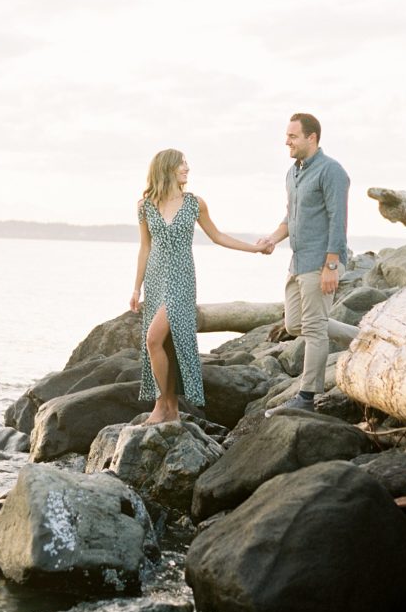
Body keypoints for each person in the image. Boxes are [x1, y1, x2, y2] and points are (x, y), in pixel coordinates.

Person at [130, 149, 269, 424]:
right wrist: (136, 288)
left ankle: (162, 406)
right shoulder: (145, 206)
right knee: (166, 344)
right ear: (167, 168)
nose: (187, 169)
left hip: (181, 279)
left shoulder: (195, 203)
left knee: (152, 339)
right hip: (155, 280)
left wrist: (253, 249)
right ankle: (171, 409)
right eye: (182, 164)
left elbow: (217, 236)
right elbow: (145, 248)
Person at [258, 113, 350, 415]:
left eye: (293, 136)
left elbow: (339, 220)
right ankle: (363, 337)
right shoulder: (292, 173)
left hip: (320, 261)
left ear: (312, 137)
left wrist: (331, 266)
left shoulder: (331, 171)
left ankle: (307, 397)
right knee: (294, 324)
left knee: (313, 330)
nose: (287, 141)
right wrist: (273, 238)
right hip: (297, 262)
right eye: (287, 136)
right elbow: (290, 217)